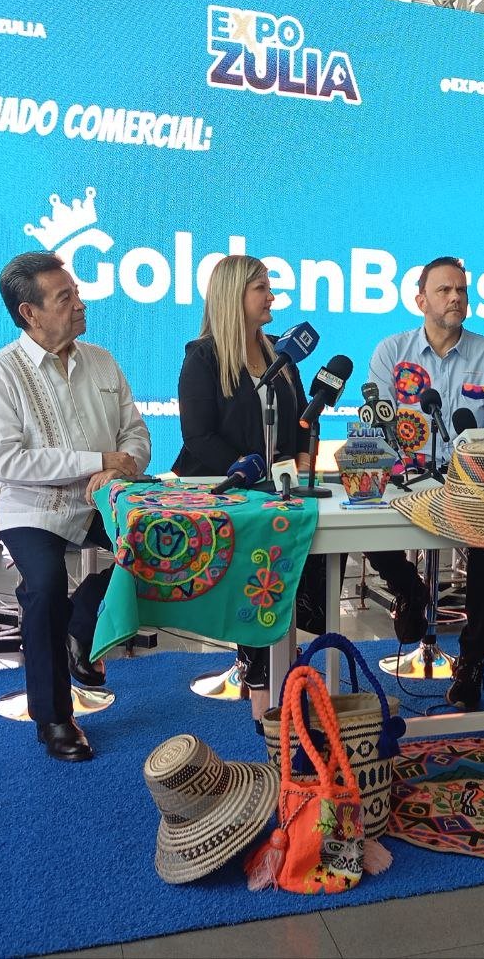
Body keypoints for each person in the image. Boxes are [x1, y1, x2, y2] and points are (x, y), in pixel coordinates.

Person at [0, 251, 152, 761]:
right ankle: (53, 718)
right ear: (29, 313)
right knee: (46, 587)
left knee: (162, 545)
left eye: (76, 293)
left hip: (103, 498)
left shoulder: (101, 360)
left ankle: (82, 623)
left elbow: (136, 435)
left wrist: (121, 467)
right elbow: (8, 462)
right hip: (31, 506)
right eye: (65, 297)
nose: (80, 304)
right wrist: (98, 459)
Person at [366, 255, 484, 711]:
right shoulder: (392, 352)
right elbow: (378, 425)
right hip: (406, 477)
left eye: (461, 291)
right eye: (444, 290)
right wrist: (397, 472)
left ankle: (473, 659)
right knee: (361, 514)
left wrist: (476, 471)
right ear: (421, 301)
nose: (455, 298)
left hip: (472, 481)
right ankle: (409, 589)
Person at [172, 255, 312, 717]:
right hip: (225, 491)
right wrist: (246, 473)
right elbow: (197, 437)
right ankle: (264, 691)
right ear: (235, 296)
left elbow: (303, 419)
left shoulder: (280, 355)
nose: (272, 296)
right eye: (262, 288)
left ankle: (277, 674)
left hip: (278, 491)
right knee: (258, 571)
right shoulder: (203, 357)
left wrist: (304, 458)